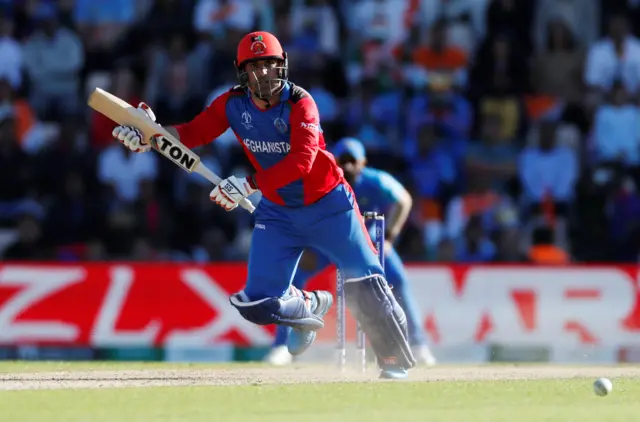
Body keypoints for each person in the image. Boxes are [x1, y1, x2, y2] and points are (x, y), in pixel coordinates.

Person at [111, 31, 416, 379]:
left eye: (271, 65)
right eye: (256, 67)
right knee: (255, 303)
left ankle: (394, 367)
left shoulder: (302, 103)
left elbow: (302, 160)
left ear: (282, 65)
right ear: (242, 72)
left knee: (367, 284)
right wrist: (151, 135)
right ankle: (308, 305)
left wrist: (249, 184)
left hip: (329, 204)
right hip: (279, 211)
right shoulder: (232, 104)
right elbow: (193, 133)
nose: (265, 74)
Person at [264, 138, 437, 366]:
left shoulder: (375, 180)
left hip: (367, 243)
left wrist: (389, 237)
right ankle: (282, 347)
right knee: (292, 278)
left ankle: (418, 344)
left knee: (399, 281)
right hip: (328, 243)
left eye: (352, 161)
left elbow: (404, 200)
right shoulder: (318, 181)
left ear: (363, 162)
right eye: (341, 161)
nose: (346, 167)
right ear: (332, 161)